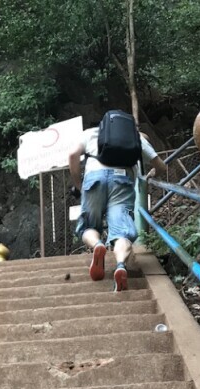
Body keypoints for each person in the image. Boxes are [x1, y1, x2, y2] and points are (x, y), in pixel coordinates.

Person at [69, 115, 165, 291]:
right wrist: (150, 175)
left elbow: (72, 154)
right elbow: (161, 166)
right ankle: (120, 265)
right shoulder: (136, 138)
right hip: (123, 180)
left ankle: (98, 245)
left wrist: (79, 185)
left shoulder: (90, 133)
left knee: (88, 226)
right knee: (122, 233)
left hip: (94, 178)